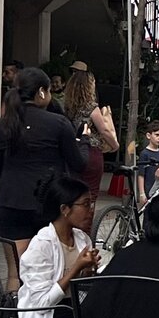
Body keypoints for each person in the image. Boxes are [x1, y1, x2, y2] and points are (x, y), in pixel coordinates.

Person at [0, 68, 86, 253]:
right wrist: (84, 141)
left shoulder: (0, 127)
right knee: (51, 263)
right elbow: (79, 164)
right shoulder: (59, 124)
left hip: (11, 203)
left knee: (17, 266)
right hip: (49, 202)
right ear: (41, 92)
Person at [17, 176, 100, 318]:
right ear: (65, 209)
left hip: (73, 312)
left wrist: (88, 272)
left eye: (91, 203)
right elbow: (42, 303)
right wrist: (76, 268)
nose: (91, 210)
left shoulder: (82, 239)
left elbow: (82, 289)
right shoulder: (42, 245)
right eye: (85, 204)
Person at [63, 67, 118, 230]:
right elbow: (104, 130)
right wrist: (115, 145)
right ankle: (84, 232)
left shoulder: (68, 107)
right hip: (91, 151)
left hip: (74, 151)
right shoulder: (91, 107)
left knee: (74, 194)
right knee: (90, 195)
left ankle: (71, 228)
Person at [136, 119, 159, 208]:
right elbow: (141, 175)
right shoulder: (144, 153)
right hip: (148, 190)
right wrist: (142, 193)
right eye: (157, 135)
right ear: (149, 136)